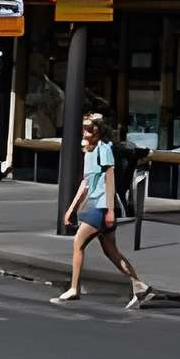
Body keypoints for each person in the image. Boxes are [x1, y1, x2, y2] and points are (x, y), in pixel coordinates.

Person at [51, 113, 153, 309]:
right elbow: (86, 183)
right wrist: (71, 209)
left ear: (98, 130)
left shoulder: (103, 149)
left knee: (78, 244)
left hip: (101, 206)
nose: (86, 130)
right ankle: (140, 286)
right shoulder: (88, 151)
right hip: (96, 205)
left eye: (90, 128)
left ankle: (74, 289)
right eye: (84, 127)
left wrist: (110, 210)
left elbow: (109, 178)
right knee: (111, 252)